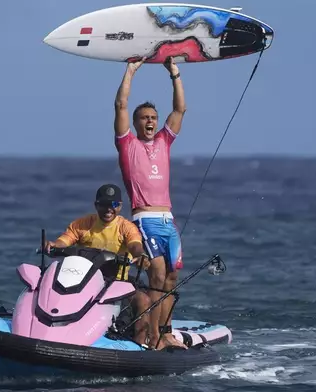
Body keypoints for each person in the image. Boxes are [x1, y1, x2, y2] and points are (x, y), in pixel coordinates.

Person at [113, 56, 187, 350]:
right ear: (135, 122)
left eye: (153, 118)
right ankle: (153, 337)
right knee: (155, 273)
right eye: (144, 118)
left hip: (168, 221)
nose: (150, 122)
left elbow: (180, 109)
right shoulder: (127, 145)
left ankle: (166, 331)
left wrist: (175, 73)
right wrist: (130, 71)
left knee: (171, 276)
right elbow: (120, 105)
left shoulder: (164, 142)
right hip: (145, 220)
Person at [43, 183, 152, 346]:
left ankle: (140, 346)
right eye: (104, 204)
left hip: (117, 284)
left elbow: (135, 245)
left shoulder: (126, 228)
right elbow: (64, 241)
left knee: (143, 300)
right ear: (96, 205)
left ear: (120, 206)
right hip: (83, 282)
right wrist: (53, 245)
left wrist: (140, 255)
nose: (109, 209)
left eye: (114, 205)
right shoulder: (82, 224)